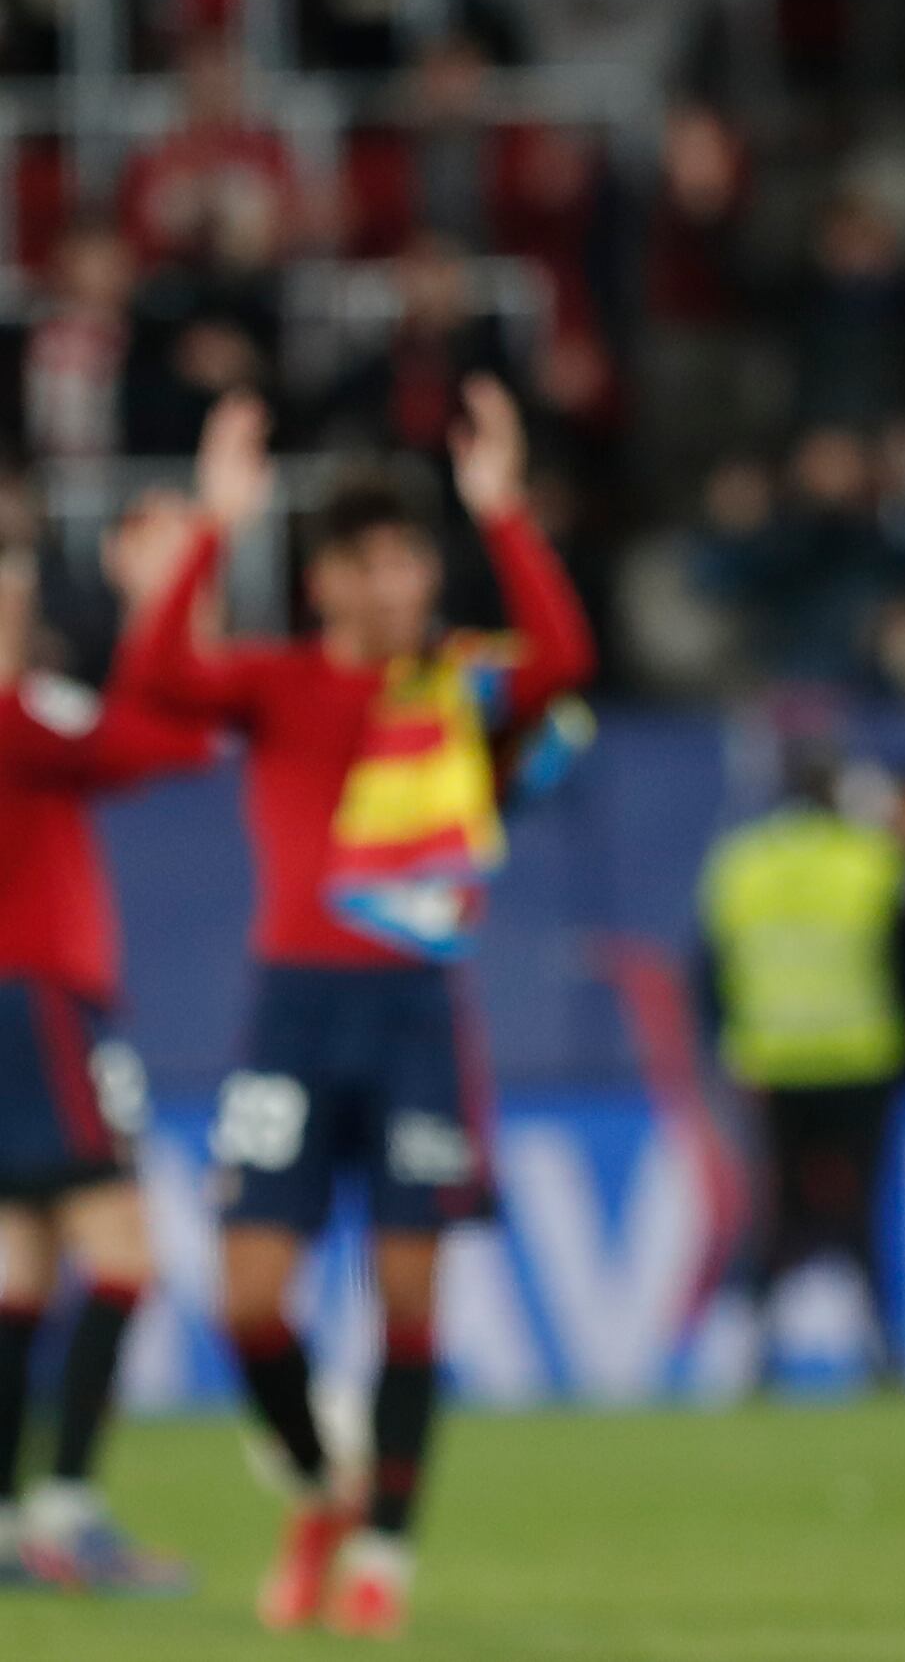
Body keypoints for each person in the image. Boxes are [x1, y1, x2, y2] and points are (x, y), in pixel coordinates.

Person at [125, 379, 594, 1637]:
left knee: (408, 1295)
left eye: (415, 563)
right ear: (326, 581)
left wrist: (501, 510)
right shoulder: (277, 686)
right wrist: (218, 525)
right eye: (377, 565)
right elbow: (154, 671)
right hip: (291, 1013)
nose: (404, 587)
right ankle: (314, 1485)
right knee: (249, 1298)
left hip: (415, 1020)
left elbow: (565, 660)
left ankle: (383, 1555)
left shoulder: (455, 685)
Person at [0, 493, 213, 1592]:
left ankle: (6, 1527)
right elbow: (169, 739)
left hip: (21, 1006)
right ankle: (67, 1513)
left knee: (21, 1265)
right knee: (125, 1256)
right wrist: (159, 600)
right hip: (35, 1002)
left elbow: (163, 742)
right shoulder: (20, 714)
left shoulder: (33, 719)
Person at [697, 744, 905, 1382]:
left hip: (770, 1062)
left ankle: (755, 1352)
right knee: (862, 1213)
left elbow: (708, 970)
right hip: (861, 1060)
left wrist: (729, 1042)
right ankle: (883, 1352)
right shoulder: (870, 861)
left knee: (776, 1212)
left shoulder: (741, 864)